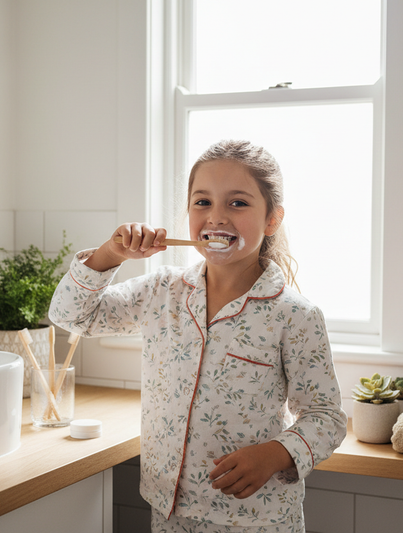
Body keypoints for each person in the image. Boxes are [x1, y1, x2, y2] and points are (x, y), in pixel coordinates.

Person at [50, 139, 346, 532]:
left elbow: (326, 418)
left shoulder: (295, 315)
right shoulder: (161, 292)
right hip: (169, 511)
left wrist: (276, 453)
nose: (216, 217)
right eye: (202, 202)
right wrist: (111, 253)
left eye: (237, 203)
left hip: (256, 519)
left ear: (272, 219)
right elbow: (71, 315)